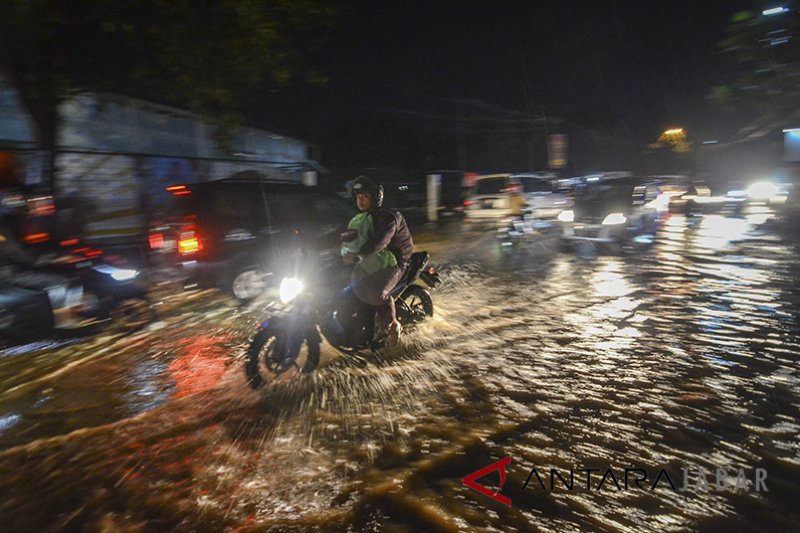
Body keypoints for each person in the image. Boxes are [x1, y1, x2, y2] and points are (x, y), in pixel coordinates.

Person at [342, 176, 414, 347]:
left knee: (376, 292)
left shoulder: (388, 217)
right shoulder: (361, 219)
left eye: (365, 196)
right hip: (374, 261)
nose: (360, 200)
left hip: (397, 262)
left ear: (375, 198)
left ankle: (393, 325)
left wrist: (360, 255)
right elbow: (342, 233)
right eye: (358, 196)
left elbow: (380, 240)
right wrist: (311, 245)